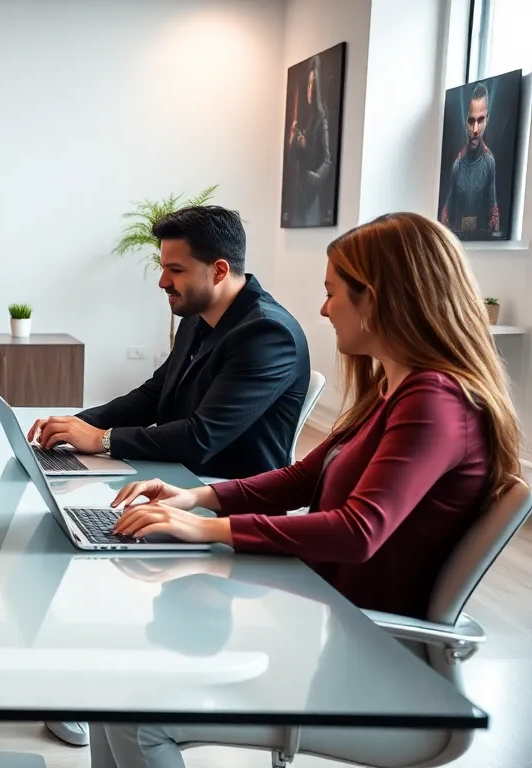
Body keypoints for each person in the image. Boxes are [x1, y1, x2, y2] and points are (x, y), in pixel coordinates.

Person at [89, 212, 522, 767]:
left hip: (373, 670)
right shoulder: (394, 390)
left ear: (378, 300)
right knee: (113, 682)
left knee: (137, 712)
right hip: (326, 623)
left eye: (332, 292)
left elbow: (358, 532)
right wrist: (197, 499)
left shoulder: (435, 401)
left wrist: (207, 528)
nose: (322, 310)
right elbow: (303, 477)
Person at [29, 206, 310, 482]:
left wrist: (103, 439)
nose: (162, 282)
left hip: (226, 492)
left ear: (219, 271)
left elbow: (201, 437)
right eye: (163, 268)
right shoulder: (197, 316)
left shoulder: (267, 334)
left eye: (176, 270)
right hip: (177, 475)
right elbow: (154, 395)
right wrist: (75, 425)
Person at [440, 82, 500, 239]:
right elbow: (448, 208)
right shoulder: (458, 164)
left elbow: (493, 208)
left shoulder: (489, 162)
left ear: (487, 119)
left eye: (480, 120)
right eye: (471, 121)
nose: (475, 130)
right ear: (465, 120)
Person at [285, 55, 332, 226]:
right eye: (309, 84)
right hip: (300, 193)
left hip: (312, 195)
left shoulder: (321, 120)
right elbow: (293, 158)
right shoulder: (305, 119)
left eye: (314, 84)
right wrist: (294, 141)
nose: (310, 89)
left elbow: (326, 160)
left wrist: (314, 177)